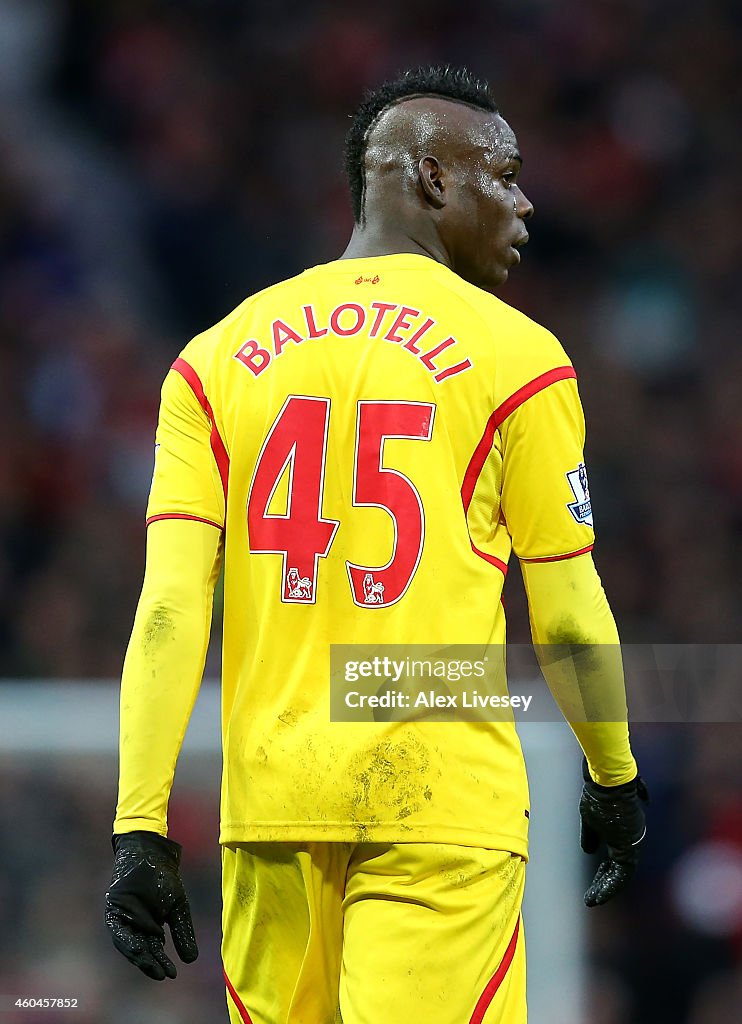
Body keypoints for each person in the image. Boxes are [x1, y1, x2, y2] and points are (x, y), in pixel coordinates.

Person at [105, 66, 647, 1024]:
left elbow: (169, 612)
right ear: (433, 178)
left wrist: (140, 828)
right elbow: (566, 609)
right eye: (506, 174)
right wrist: (614, 774)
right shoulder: (519, 355)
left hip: (269, 813)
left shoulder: (214, 356)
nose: (526, 202)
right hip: (439, 805)